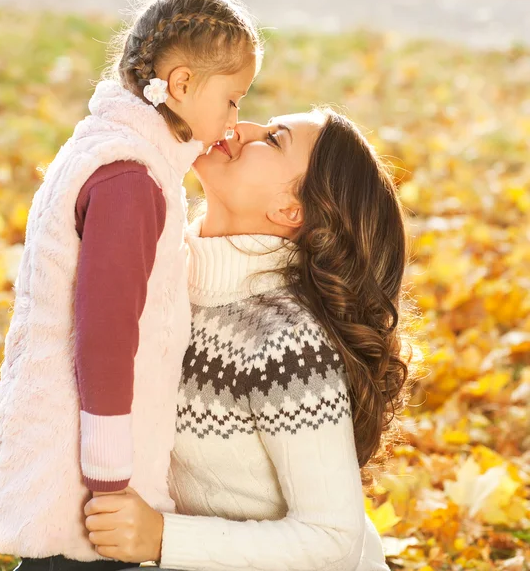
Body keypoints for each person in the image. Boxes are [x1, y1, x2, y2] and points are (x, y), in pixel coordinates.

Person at [0, 0, 261, 570]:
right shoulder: (131, 180)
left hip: (77, 442)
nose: (235, 121)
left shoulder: (116, 151)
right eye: (232, 99)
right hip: (86, 464)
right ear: (181, 85)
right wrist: (109, 476)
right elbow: (106, 330)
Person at [84, 109, 414, 570]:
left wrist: (163, 539)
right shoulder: (164, 277)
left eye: (274, 139)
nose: (241, 127)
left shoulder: (288, 345)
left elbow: (333, 537)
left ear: (290, 210)